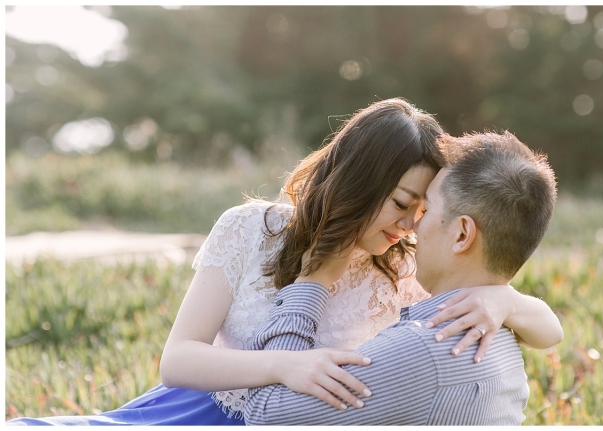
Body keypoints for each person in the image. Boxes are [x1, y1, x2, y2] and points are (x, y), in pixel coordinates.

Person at [7, 100, 562, 426]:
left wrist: (505, 299)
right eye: (399, 203)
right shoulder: (251, 229)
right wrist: (280, 367)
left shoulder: (404, 267)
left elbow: (549, 331)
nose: (411, 224)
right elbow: (178, 361)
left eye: (422, 210)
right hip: (195, 413)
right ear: (358, 182)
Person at [244, 131, 559, 425]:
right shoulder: (502, 329)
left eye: (428, 209)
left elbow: (265, 415)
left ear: (462, 234)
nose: (413, 228)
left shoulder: (421, 349)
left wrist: (312, 282)